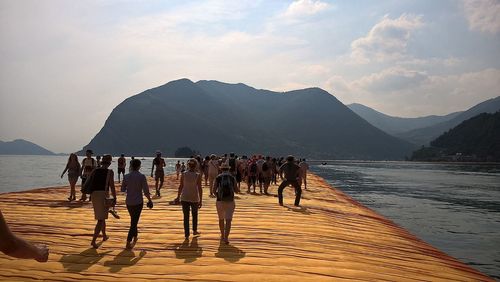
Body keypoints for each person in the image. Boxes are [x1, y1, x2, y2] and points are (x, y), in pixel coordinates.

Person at [85, 154, 117, 248]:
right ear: (110, 162)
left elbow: (90, 182)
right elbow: (112, 186)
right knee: (100, 219)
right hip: (103, 195)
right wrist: (115, 197)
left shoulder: (95, 170)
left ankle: (104, 235)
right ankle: (94, 240)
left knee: (102, 216)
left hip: (94, 195)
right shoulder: (110, 172)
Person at [121, 159, 153, 249]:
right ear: (139, 166)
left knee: (133, 220)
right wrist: (150, 200)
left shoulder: (126, 176)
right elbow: (146, 191)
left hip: (129, 202)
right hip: (138, 202)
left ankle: (135, 237)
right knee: (134, 222)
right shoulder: (141, 176)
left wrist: (129, 188)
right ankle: (128, 241)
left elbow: (122, 189)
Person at [213, 163, 239, 244]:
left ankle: (222, 235)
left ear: (221, 169)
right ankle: (226, 238)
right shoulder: (232, 177)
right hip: (230, 201)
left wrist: (218, 195)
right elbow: (236, 190)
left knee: (221, 219)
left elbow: (213, 190)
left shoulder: (218, 177)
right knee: (228, 220)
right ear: (228, 169)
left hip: (220, 201)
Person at [177, 159, 203, 239]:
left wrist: (178, 196)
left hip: (184, 197)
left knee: (186, 216)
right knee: (194, 215)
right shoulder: (197, 175)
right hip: (194, 197)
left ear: (188, 165)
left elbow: (181, 186)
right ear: (196, 166)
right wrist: (201, 200)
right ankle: (194, 230)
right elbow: (199, 188)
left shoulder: (184, 174)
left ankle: (186, 234)